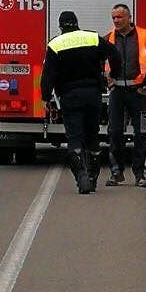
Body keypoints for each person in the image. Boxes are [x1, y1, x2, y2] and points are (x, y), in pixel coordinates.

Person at [40, 10, 121, 193]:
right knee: (92, 136)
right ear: (77, 22)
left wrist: (46, 97)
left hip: (70, 96)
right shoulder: (92, 38)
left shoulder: (55, 44)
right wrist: (113, 75)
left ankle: (82, 178)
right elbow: (115, 54)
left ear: (60, 26)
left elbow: (49, 74)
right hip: (93, 95)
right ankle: (93, 177)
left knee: (74, 138)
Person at [104, 3, 146, 188]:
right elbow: (97, 62)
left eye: (120, 17)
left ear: (129, 18)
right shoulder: (108, 39)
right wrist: (107, 82)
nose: (116, 21)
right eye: (114, 17)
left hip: (138, 93)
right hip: (117, 93)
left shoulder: (144, 37)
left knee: (141, 133)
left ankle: (141, 175)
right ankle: (116, 173)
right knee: (114, 133)